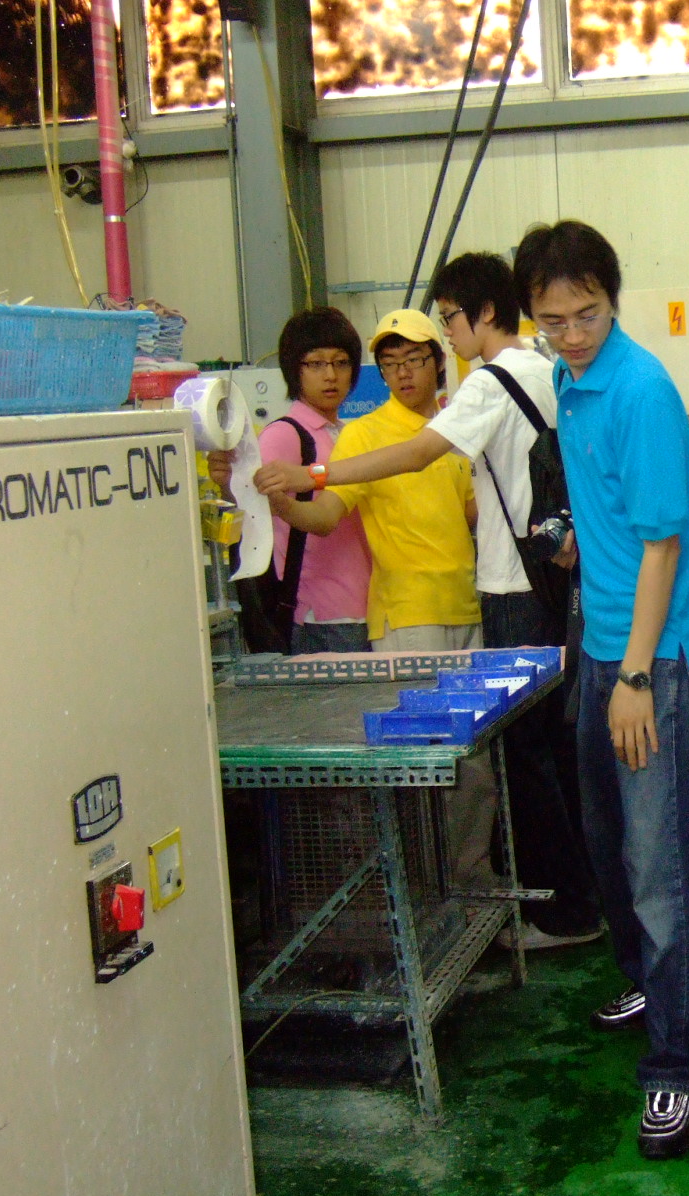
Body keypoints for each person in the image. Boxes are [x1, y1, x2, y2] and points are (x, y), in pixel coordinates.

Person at [252, 258, 602, 949]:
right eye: (391, 361)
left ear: (480, 316)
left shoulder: (480, 392)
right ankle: (540, 898)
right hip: (476, 600)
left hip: (498, 596)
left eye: (441, 329)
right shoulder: (545, 371)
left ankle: (546, 906)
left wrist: (311, 473)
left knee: (512, 762)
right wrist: (291, 492)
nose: (429, 352)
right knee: (519, 755)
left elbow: (429, 467)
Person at [513, 219, 689, 1160]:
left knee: (659, 865)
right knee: (607, 842)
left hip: (651, 660)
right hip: (599, 647)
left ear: (613, 299)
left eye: (587, 314)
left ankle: (677, 1066)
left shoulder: (640, 389)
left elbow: (664, 545)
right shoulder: (565, 378)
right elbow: (610, 520)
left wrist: (634, 674)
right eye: (553, 321)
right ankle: (646, 984)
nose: (572, 334)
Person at [258, 311, 500, 891]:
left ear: (437, 363)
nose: (402, 373)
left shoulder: (452, 430)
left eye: (413, 359)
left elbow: (472, 514)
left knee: (475, 766)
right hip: (406, 619)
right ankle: (424, 894)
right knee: (421, 766)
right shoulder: (365, 436)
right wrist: (282, 501)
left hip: (468, 609)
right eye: (389, 364)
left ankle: (470, 882)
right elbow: (326, 516)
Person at [259, 307, 372, 654]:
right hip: (319, 615)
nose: (331, 375)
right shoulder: (285, 434)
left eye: (341, 362)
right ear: (295, 369)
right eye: (316, 363)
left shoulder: (349, 433)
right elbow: (257, 507)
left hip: (368, 606)